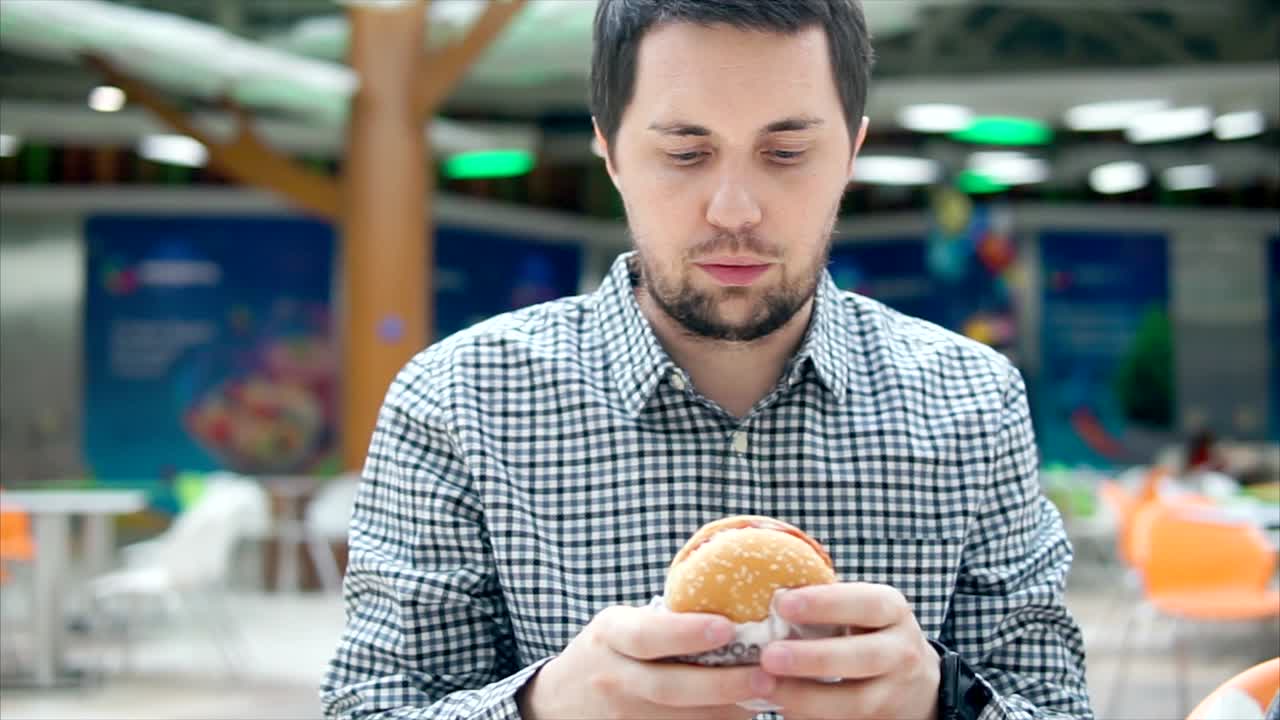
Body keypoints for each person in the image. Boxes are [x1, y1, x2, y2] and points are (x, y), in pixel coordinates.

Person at [320, 1, 1092, 718]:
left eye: (785, 152)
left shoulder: (972, 400)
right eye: (685, 152)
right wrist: (543, 705)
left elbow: (1056, 705)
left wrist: (939, 698)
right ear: (611, 151)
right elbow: (373, 704)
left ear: (852, 151)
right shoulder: (459, 400)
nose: (734, 211)